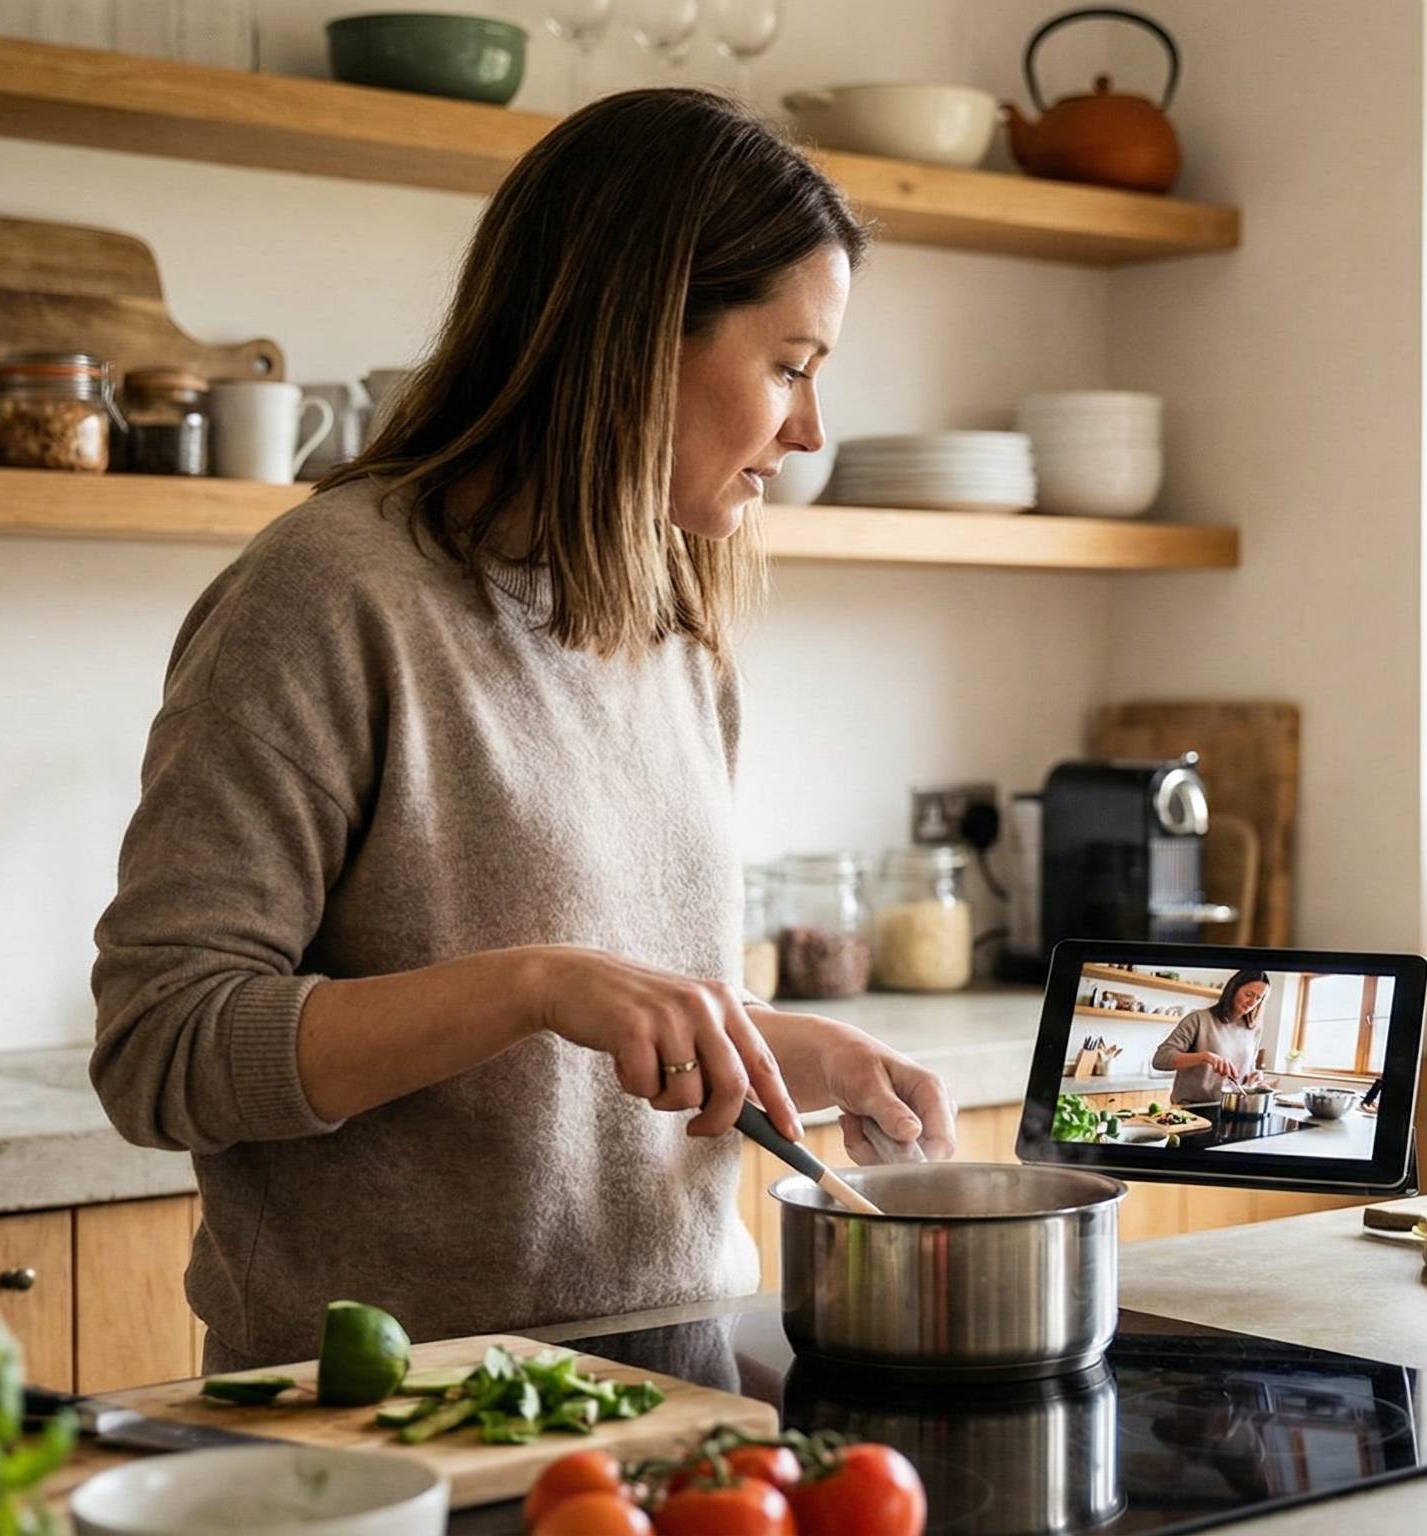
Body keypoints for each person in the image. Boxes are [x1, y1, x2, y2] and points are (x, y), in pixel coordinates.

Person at [89, 89, 956, 1374]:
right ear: (638, 334)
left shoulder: (675, 620)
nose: (808, 429)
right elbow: (165, 1050)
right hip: (395, 1410)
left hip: (673, 1375)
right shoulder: (331, 595)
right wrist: (529, 984)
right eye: (787, 366)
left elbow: (604, 1030)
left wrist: (788, 1046)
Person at [1151, 970, 1273, 1107]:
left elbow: (1247, 1067)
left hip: (1231, 1108)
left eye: (1258, 998)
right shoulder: (1198, 1019)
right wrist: (1205, 1057)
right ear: (1233, 989)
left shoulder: (1254, 1029)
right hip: (1192, 1109)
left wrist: (1255, 1077)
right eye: (1248, 994)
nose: (1252, 1002)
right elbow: (1160, 1059)